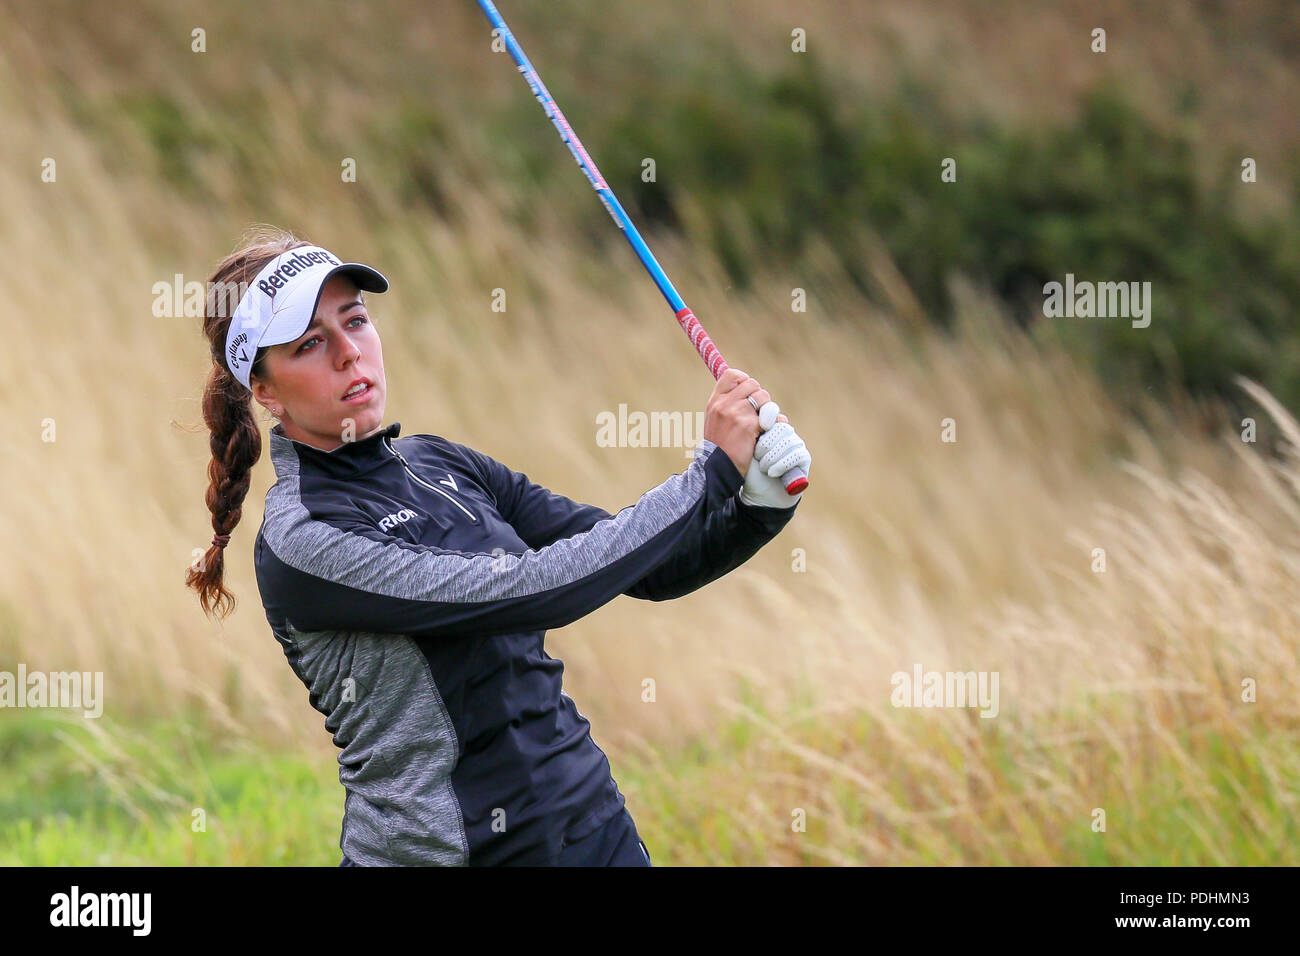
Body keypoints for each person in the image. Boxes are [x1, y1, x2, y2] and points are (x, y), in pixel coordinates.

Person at [185, 226, 813, 866]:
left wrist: (755, 503)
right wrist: (706, 473)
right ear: (263, 390)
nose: (350, 353)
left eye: (357, 320)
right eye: (311, 344)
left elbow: (646, 566)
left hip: (592, 829)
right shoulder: (303, 542)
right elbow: (526, 589)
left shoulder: (440, 464)